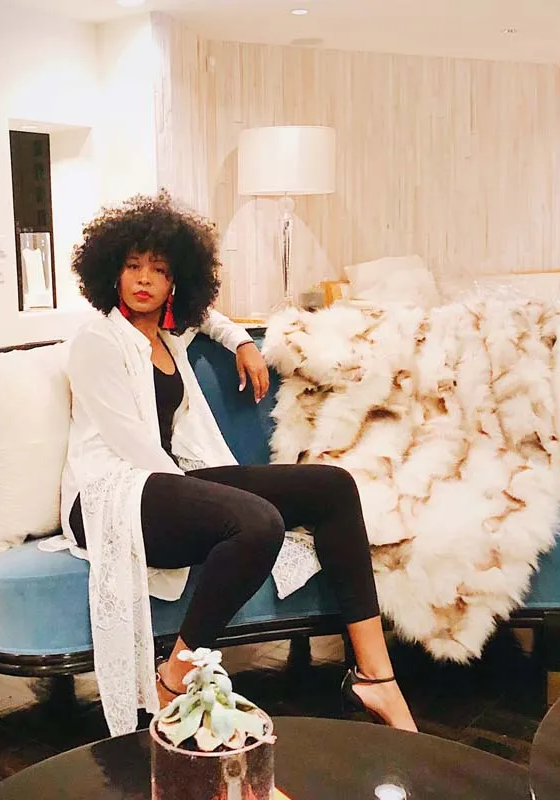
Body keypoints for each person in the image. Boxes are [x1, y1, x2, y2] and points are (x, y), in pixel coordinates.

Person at [61, 192, 417, 733]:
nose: (143, 279)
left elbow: (207, 319)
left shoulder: (167, 332)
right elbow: (134, 449)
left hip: (165, 477)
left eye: (158, 269)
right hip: (111, 495)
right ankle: (173, 679)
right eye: (133, 266)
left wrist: (241, 343)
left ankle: (375, 677)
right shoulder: (96, 339)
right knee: (255, 520)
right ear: (111, 271)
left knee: (333, 487)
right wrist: (214, 498)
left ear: (176, 282)